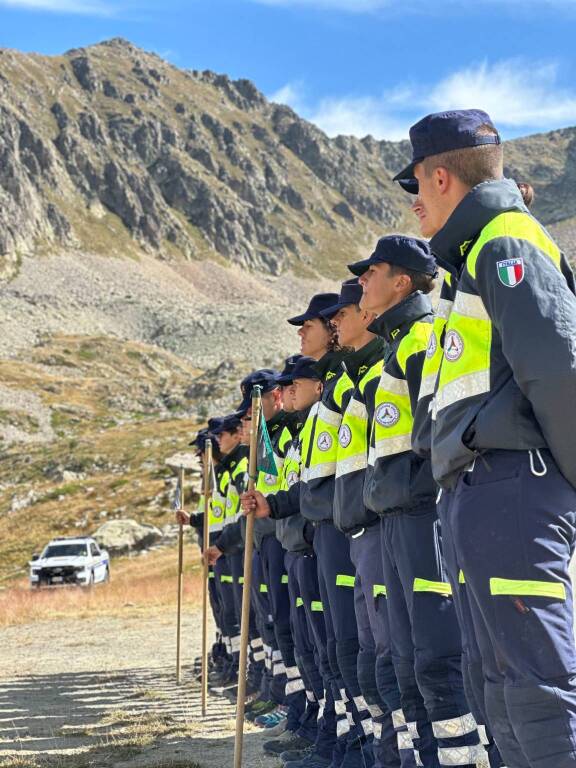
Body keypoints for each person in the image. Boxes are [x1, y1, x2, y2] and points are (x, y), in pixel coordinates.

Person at [394, 108, 576, 768]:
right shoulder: (474, 257)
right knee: (495, 684)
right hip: (482, 495)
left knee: (536, 687)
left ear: (440, 177)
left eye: (413, 186)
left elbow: (560, 371)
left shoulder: (505, 244)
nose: (413, 207)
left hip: (514, 493)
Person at [349, 235, 485, 768]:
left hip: (423, 516)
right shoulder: (395, 346)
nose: (362, 282)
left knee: (436, 658)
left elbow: (435, 437)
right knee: (405, 662)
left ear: (402, 281)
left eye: (371, 271)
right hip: (397, 521)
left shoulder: (420, 339)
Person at [327, 279, 406, 768]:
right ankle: (376, 749)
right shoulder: (351, 378)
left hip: (387, 525)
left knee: (394, 651)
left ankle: (393, 752)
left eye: (341, 313)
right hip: (357, 530)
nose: (337, 323)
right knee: (364, 649)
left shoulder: (382, 369)